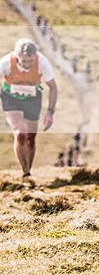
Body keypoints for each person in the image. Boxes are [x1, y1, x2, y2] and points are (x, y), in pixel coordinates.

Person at [1, 39, 58, 178]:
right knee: (20, 134)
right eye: (24, 61)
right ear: (17, 56)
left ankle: (29, 169)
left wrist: (50, 112)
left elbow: (53, 87)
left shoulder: (42, 61)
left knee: (31, 138)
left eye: (31, 61)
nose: (28, 65)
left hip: (32, 99)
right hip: (11, 98)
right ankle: (25, 172)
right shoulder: (6, 62)